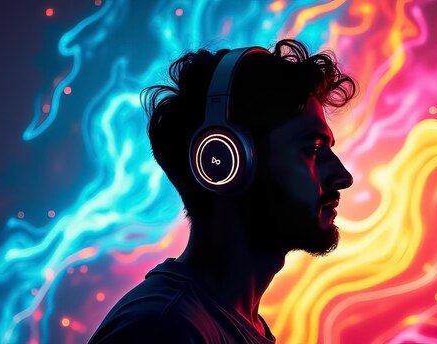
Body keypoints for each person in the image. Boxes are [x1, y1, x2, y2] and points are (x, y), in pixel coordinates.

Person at [89, 39, 357, 343]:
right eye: (313, 149)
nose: (342, 177)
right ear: (226, 162)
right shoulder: (162, 329)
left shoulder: (231, 323)